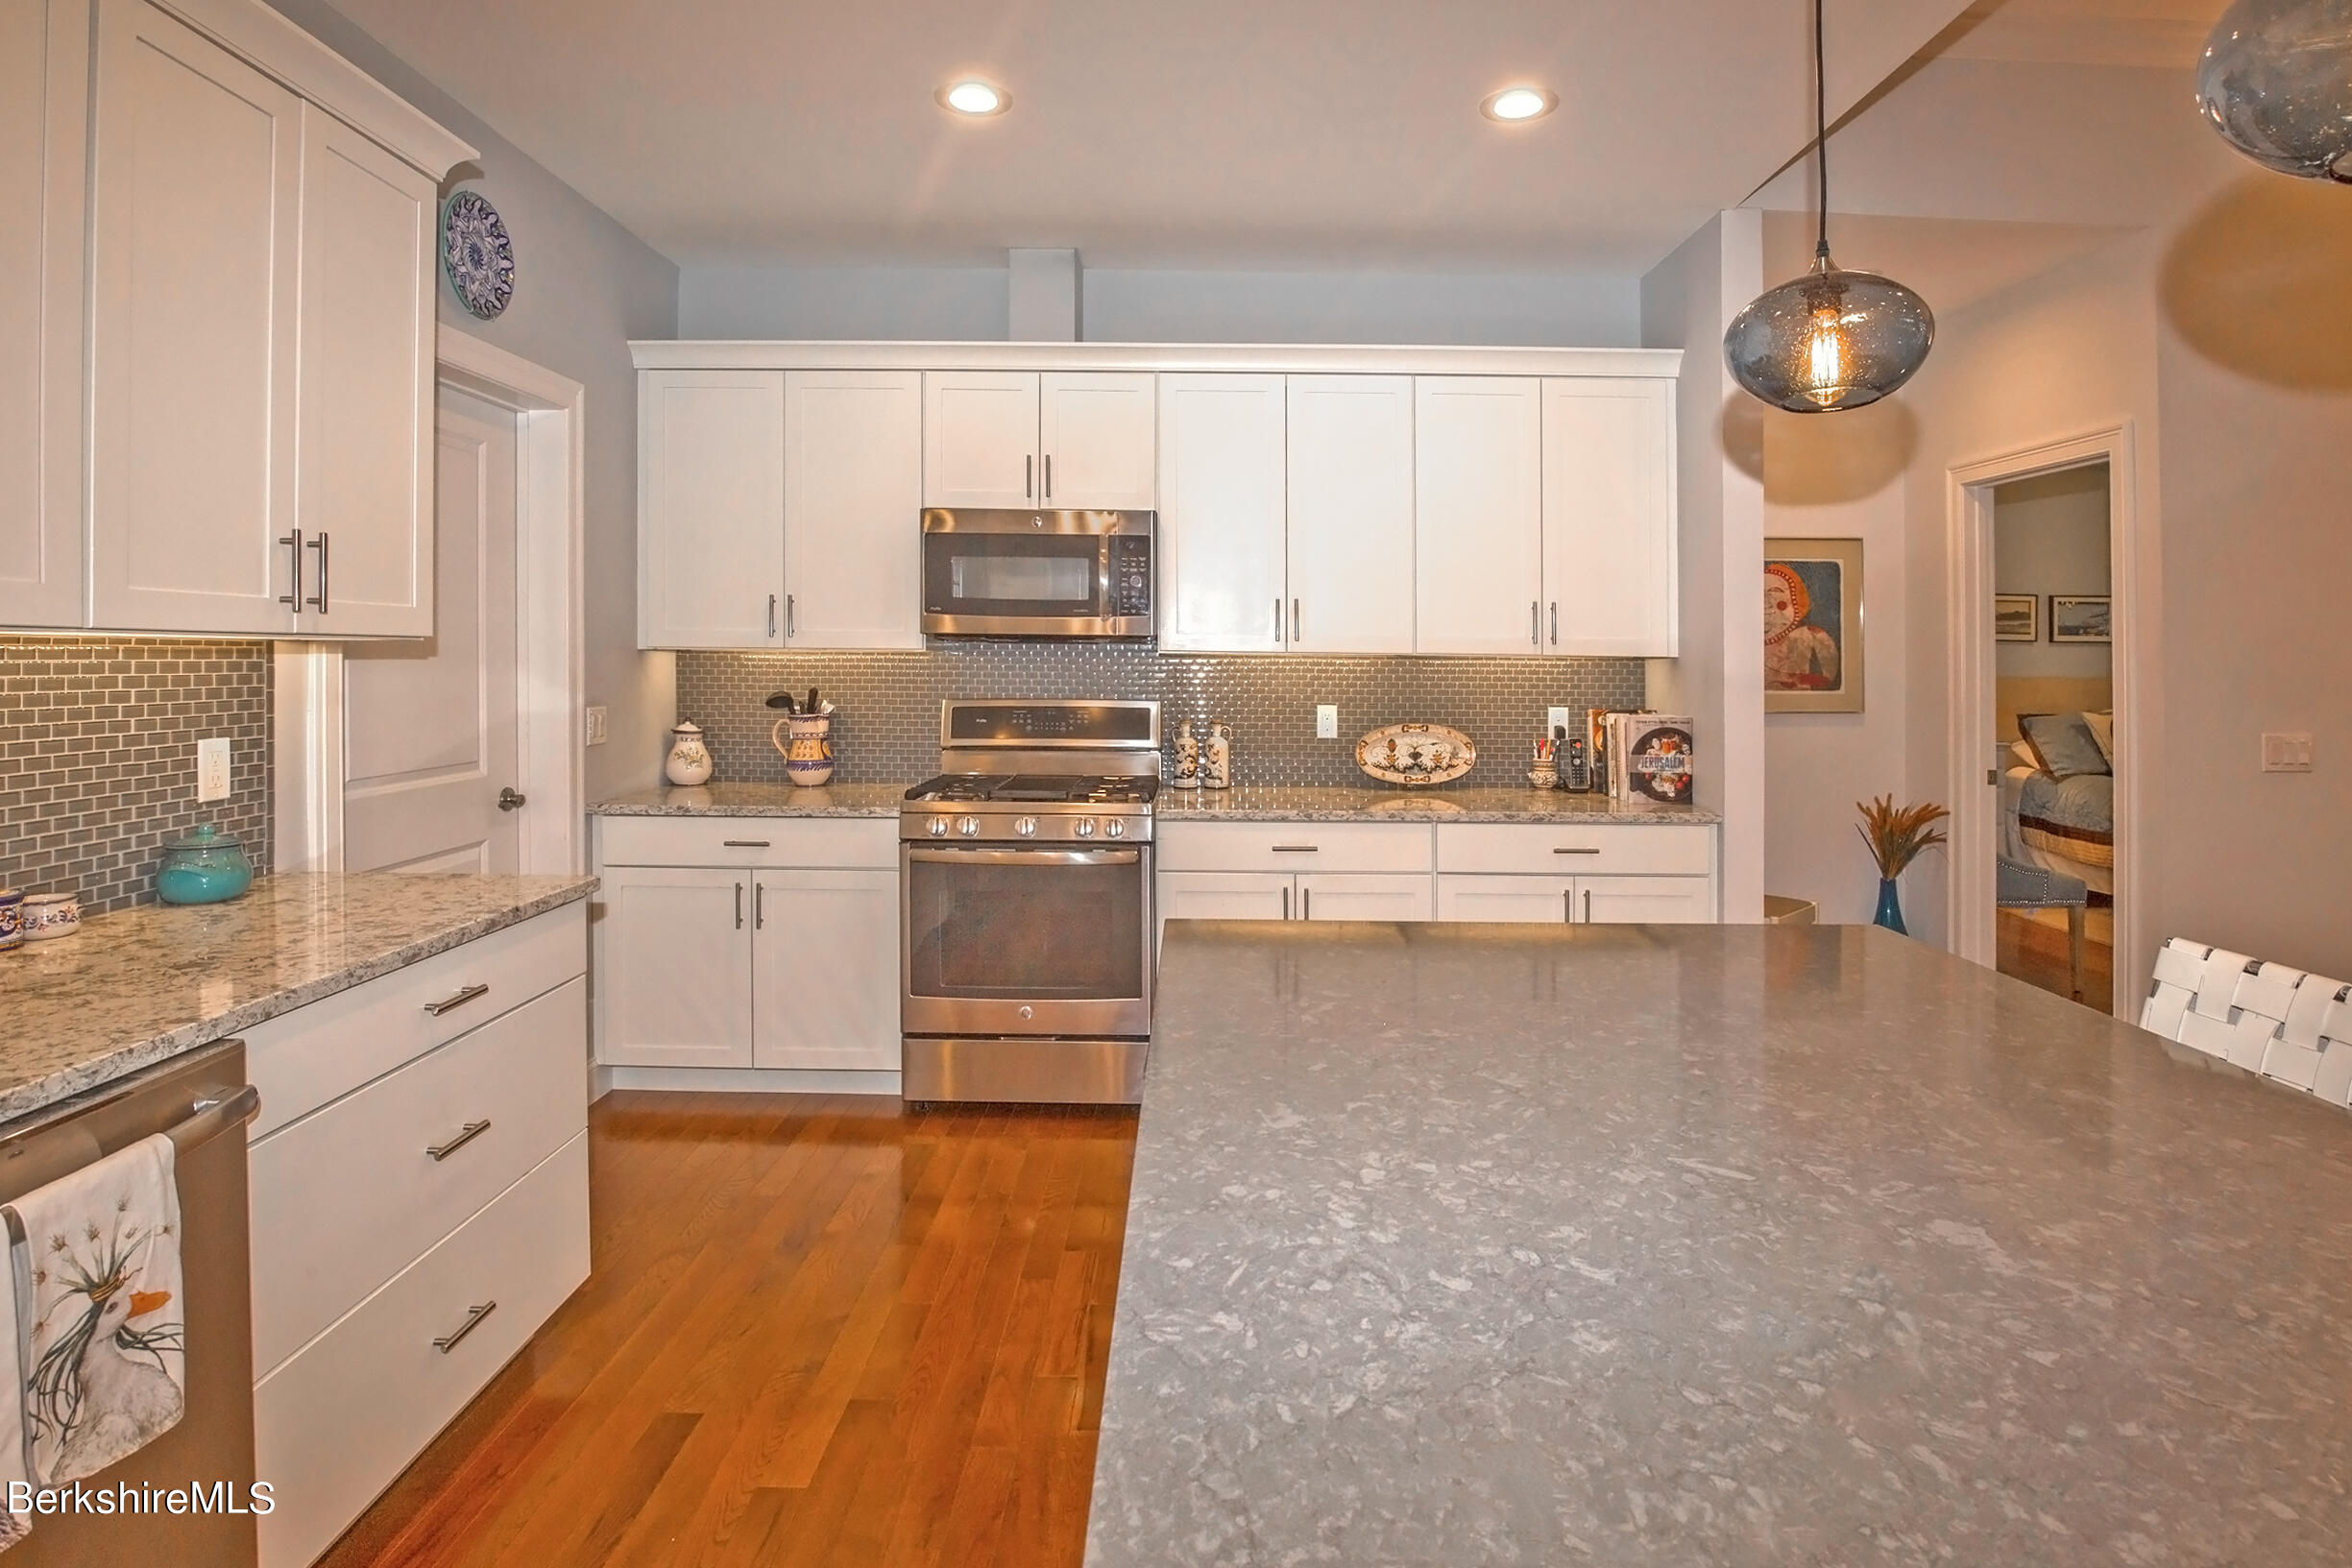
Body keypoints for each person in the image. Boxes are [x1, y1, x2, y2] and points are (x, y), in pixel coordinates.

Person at [1764, 563, 1841, 691]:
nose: (1766, 607)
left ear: (1797, 604)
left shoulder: (1808, 636)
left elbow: (1828, 682)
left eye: (1775, 597)